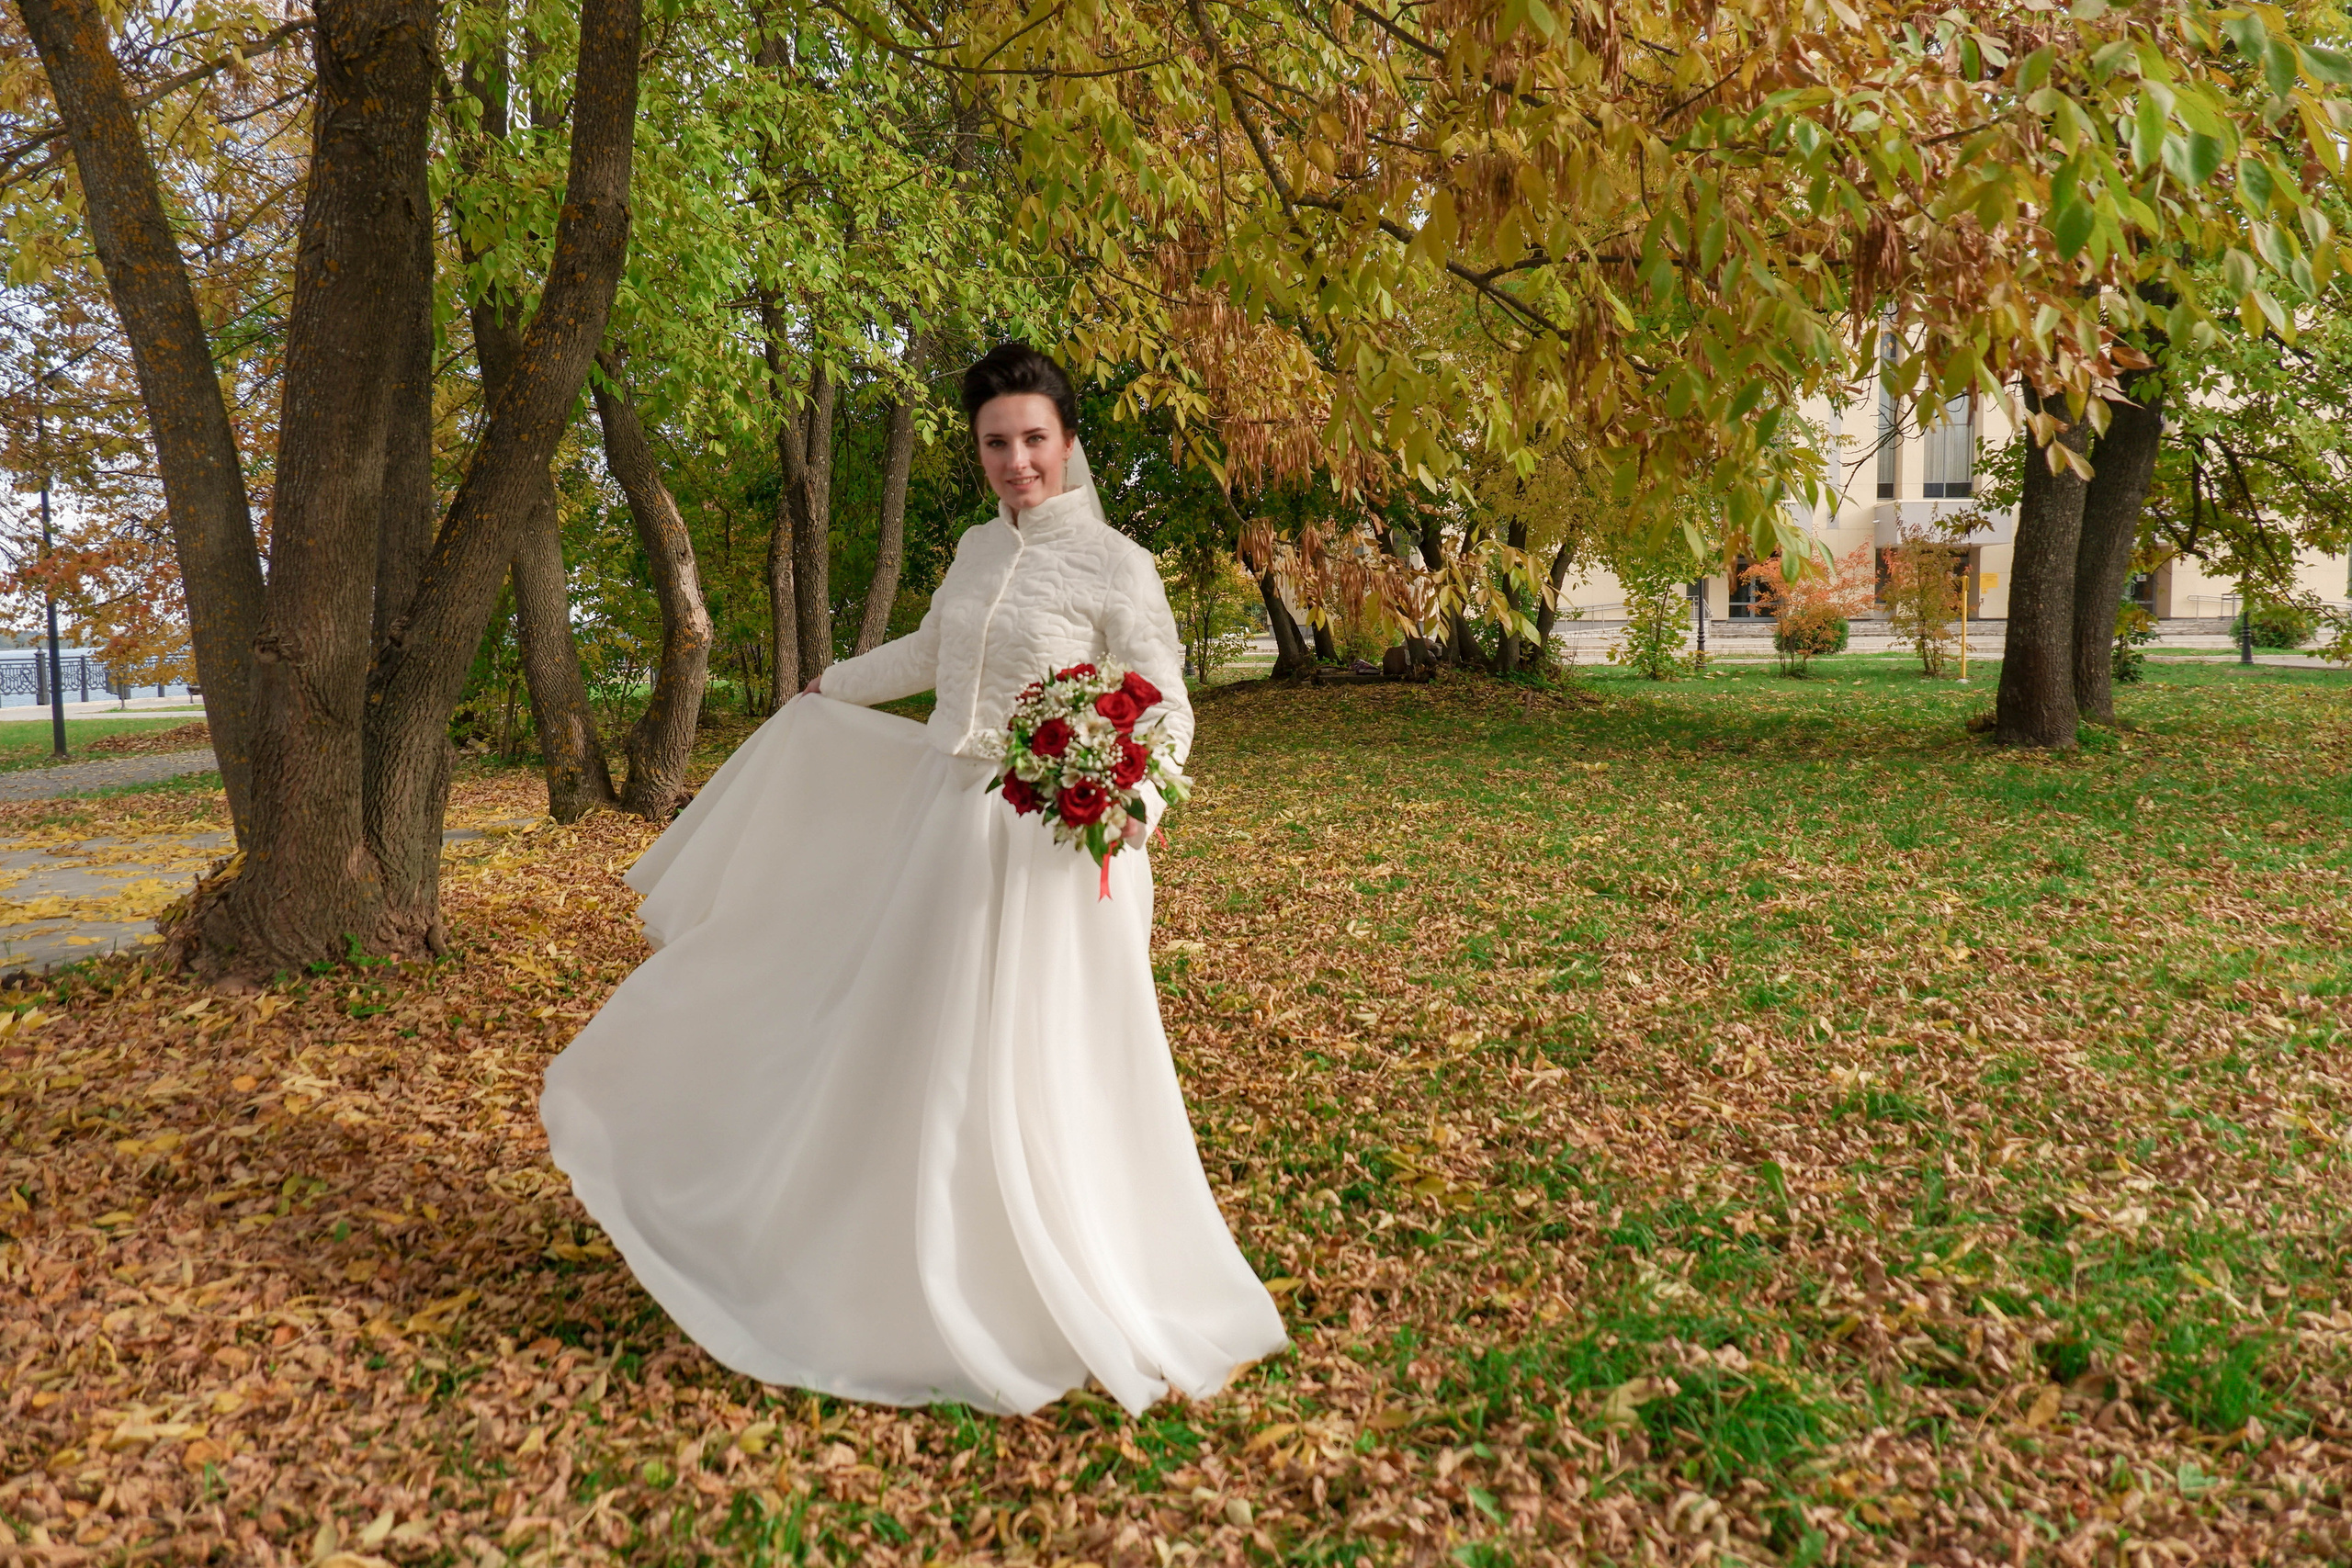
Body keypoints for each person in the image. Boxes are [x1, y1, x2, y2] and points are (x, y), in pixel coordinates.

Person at [539, 344, 1288, 1416]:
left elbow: (1165, 699)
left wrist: (1135, 796)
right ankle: (894, 1265)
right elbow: (932, 655)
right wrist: (827, 687)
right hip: (950, 825)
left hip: (1057, 848)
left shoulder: (1118, 565)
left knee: (1037, 1055)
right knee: (922, 1043)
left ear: (1068, 442)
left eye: (1034, 439)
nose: (1016, 460)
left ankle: (1042, 1276)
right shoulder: (978, 548)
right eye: (997, 443)